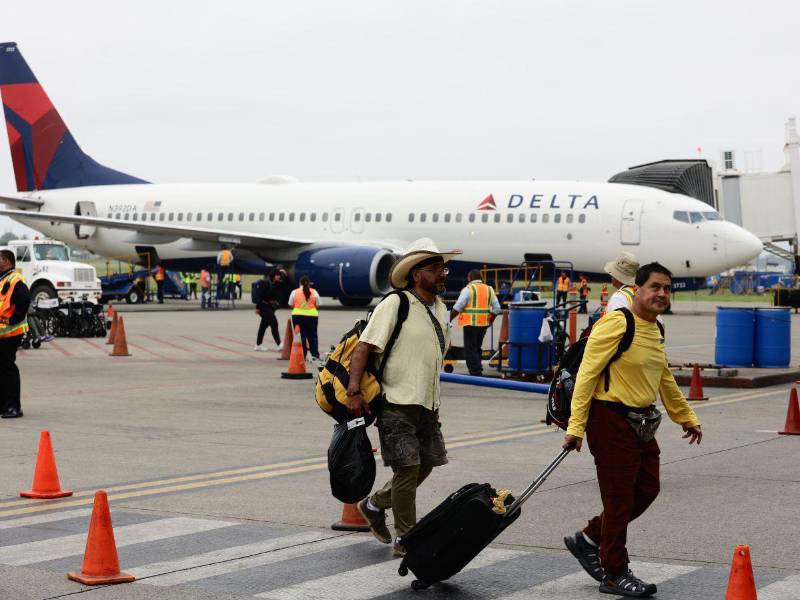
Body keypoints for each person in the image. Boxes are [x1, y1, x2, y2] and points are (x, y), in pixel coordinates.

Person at [562, 262, 702, 598]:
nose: (661, 294)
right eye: (655, 287)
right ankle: (614, 572)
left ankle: (590, 538)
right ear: (636, 289)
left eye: (667, 288)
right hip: (608, 418)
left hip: (640, 422)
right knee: (619, 497)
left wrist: (685, 415)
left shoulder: (655, 328)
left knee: (648, 488)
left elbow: (662, 376)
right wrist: (576, 427)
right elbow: (587, 375)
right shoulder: (617, 323)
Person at [347, 238, 461, 557]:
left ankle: (374, 504)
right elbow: (363, 347)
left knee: (428, 464)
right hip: (396, 403)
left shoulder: (440, 308)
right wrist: (354, 391)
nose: (442, 274)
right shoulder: (395, 304)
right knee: (407, 469)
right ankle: (406, 538)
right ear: (416, 274)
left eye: (443, 267)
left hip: (428, 404)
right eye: (435, 268)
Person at [449, 269, 502, 376]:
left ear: (470, 278)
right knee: (477, 346)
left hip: (470, 324)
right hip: (483, 324)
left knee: (470, 348)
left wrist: (448, 319)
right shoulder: (489, 289)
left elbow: (458, 307)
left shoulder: (468, 289)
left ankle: (475, 371)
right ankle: (478, 367)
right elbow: (497, 309)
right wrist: (490, 320)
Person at [0, 250, 31, 418]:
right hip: (2, 333)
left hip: (11, 332)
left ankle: (13, 406)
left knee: (7, 368)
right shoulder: (2, 278)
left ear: (6, 261)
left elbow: (24, 299)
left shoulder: (15, 280)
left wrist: (14, 320)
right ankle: (4, 404)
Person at [289, 276, 320, 361]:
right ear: (309, 283)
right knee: (312, 336)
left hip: (297, 316)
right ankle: (314, 355)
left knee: (301, 336)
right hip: (312, 316)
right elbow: (318, 304)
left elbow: (291, 304)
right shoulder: (314, 292)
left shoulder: (295, 292)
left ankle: (302, 355)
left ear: (300, 283)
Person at [254, 271, 283, 352]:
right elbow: (259, 296)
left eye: (279, 276)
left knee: (263, 326)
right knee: (274, 323)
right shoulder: (265, 283)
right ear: (273, 276)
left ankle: (258, 344)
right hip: (263, 306)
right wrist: (257, 307)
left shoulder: (278, 285)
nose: (279, 277)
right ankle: (279, 344)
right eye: (277, 275)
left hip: (271, 308)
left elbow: (282, 291)